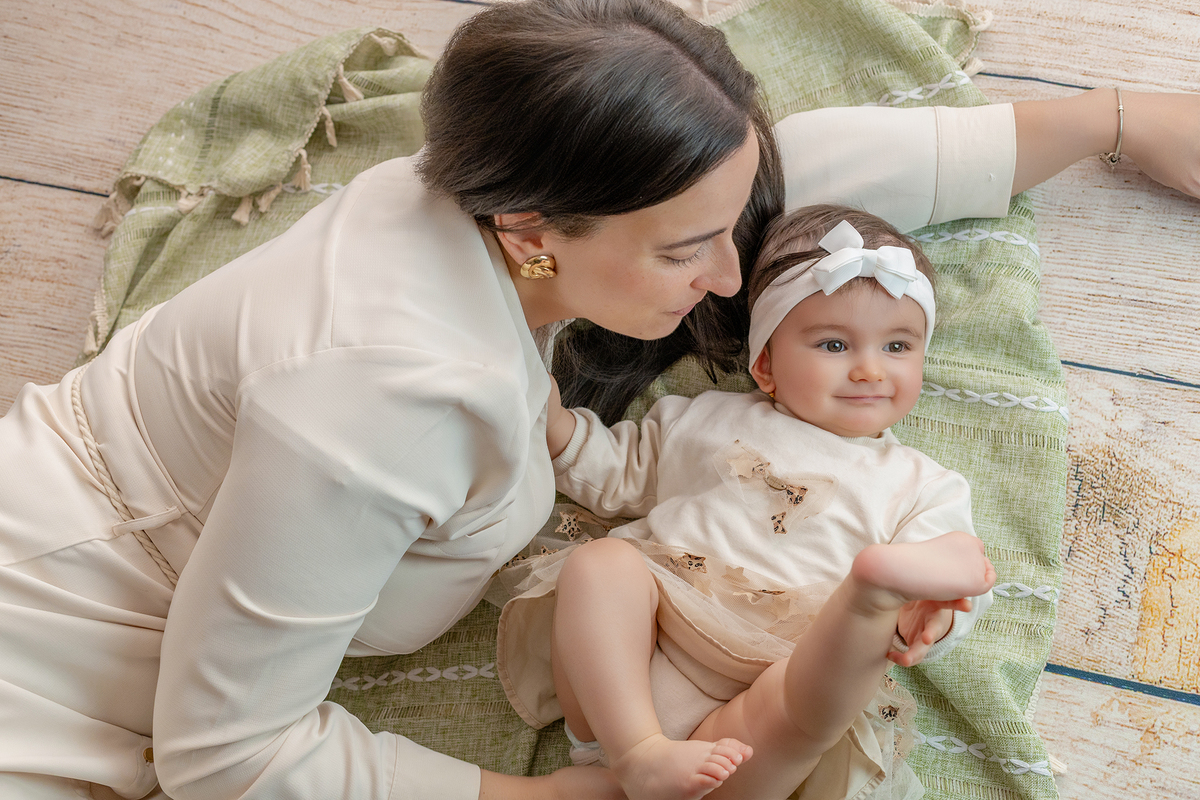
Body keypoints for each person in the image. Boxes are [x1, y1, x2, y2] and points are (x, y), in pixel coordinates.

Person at [0, 0, 1197, 797]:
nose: (730, 277)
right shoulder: (377, 408)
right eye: (689, 251)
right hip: (47, 683)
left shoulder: (491, 190)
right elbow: (230, 758)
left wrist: (1112, 120)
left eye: (727, 231)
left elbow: (775, 188)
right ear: (535, 233)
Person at [495, 205, 997, 800]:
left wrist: (934, 612)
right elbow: (620, 470)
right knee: (602, 565)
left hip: (769, 682)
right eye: (835, 344)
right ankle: (640, 754)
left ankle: (873, 594)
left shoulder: (924, 484)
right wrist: (553, 422)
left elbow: (950, 576)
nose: (869, 369)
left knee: (804, 693)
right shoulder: (706, 418)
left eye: (897, 346)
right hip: (638, 660)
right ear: (765, 364)